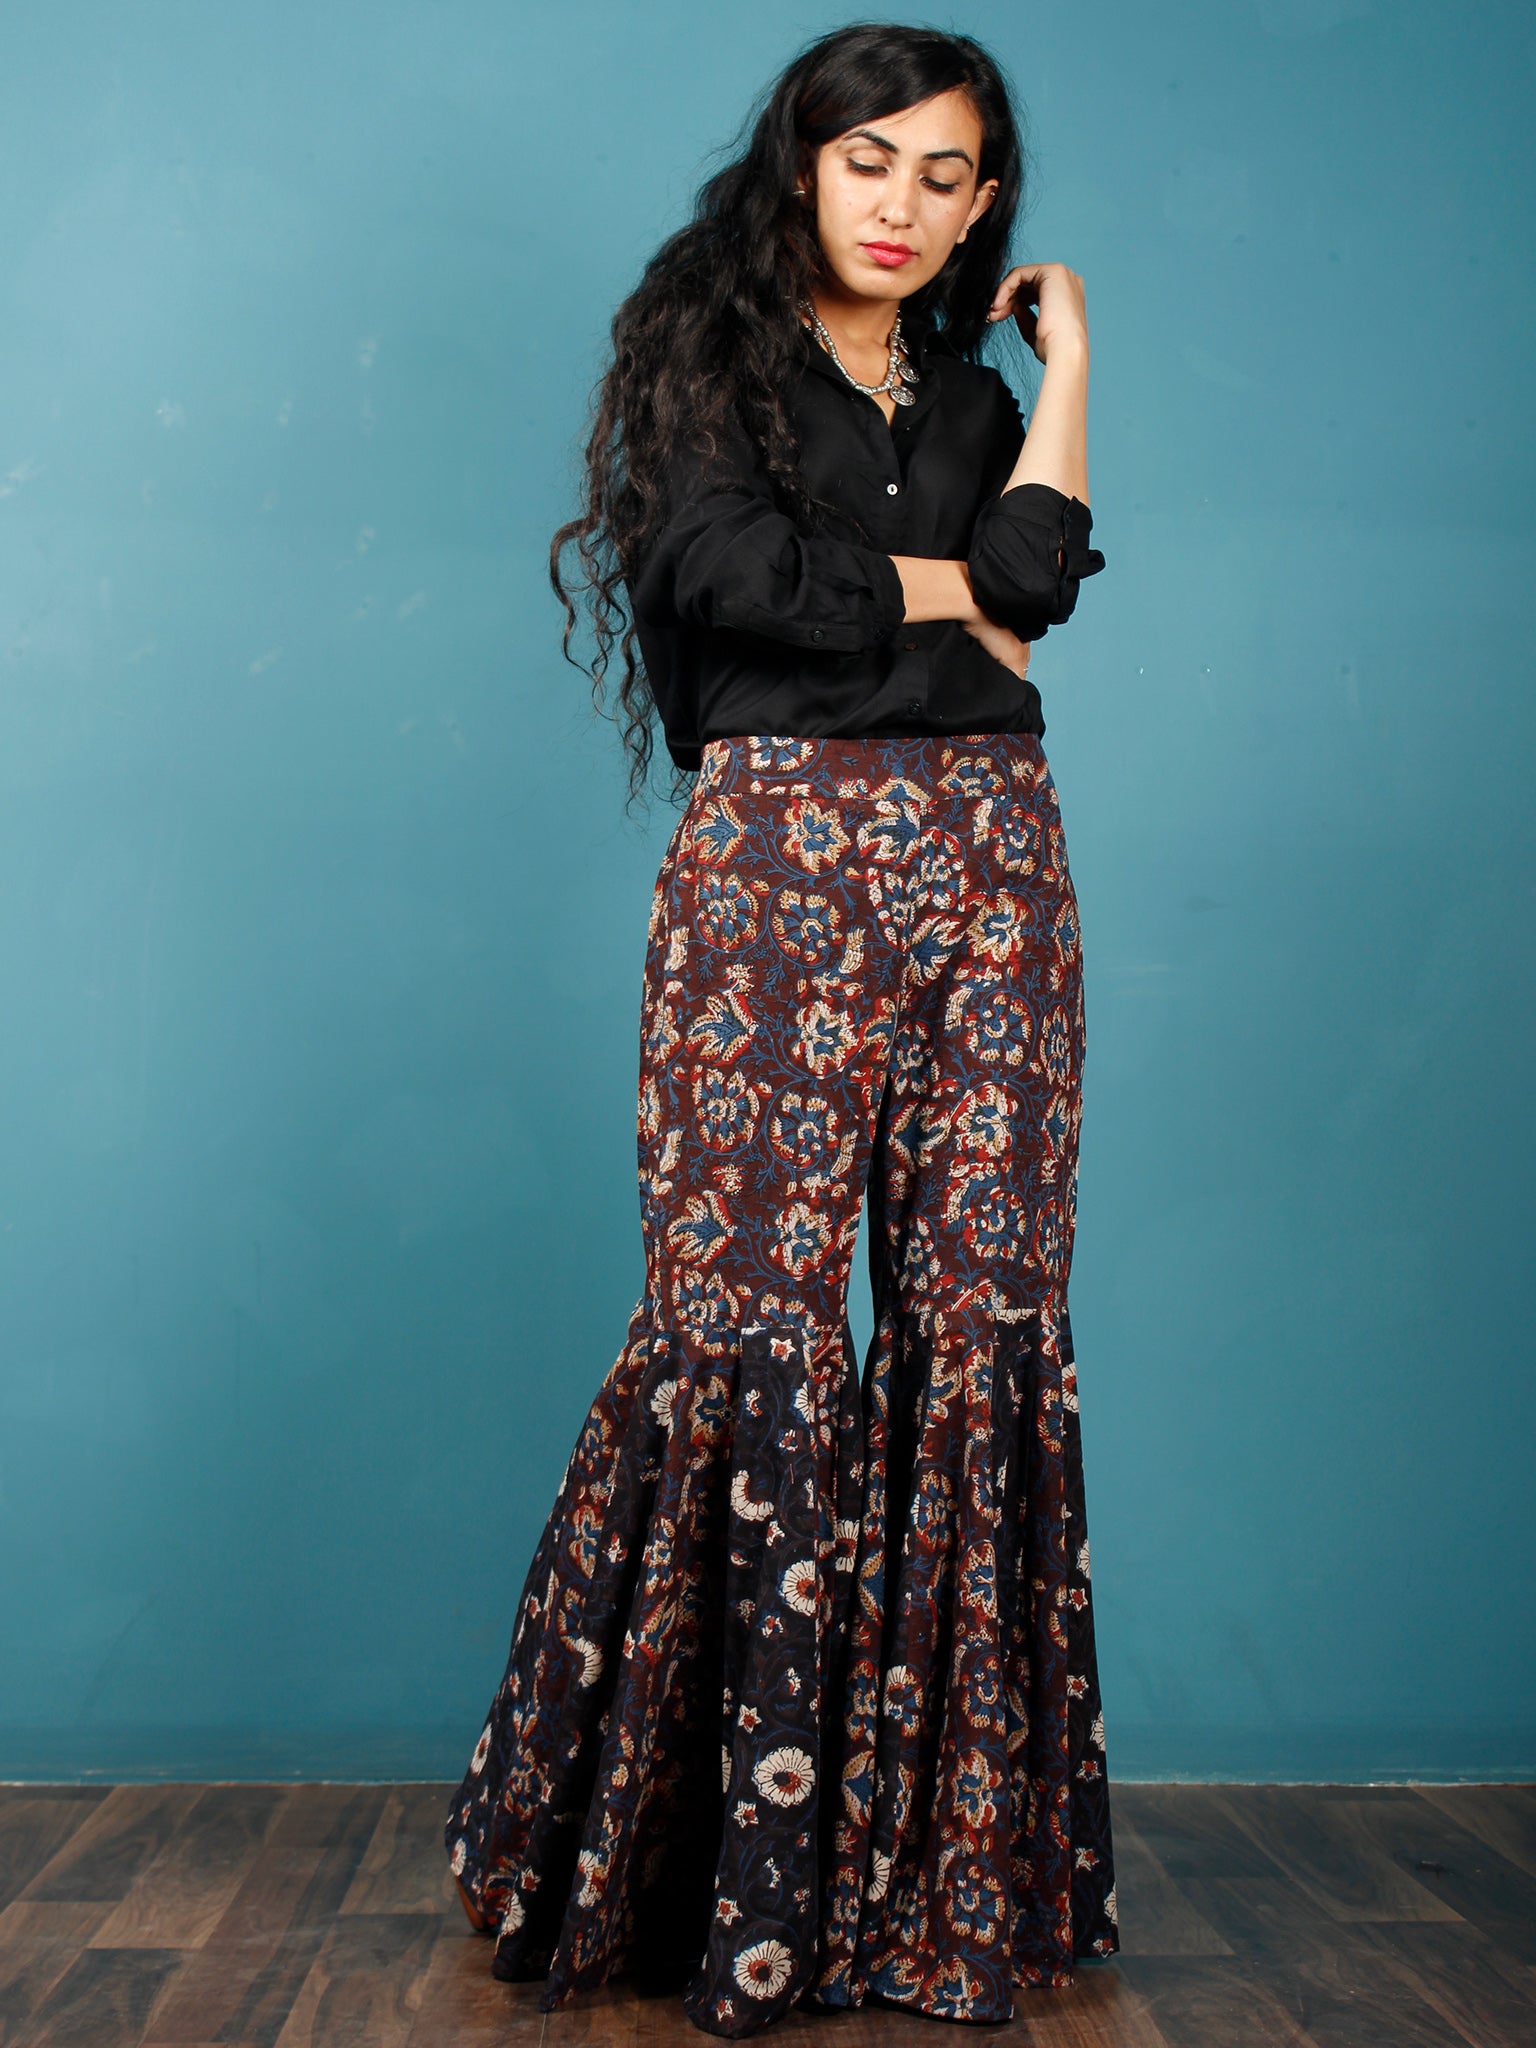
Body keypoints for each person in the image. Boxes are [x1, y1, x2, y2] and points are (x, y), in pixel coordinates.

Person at [443, 22, 1119, 2038]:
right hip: (777, 870)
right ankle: (696, 1877)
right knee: (745, 1324)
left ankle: (944, 1880)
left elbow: (1037, 583)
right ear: (803, 168)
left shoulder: (982, 394)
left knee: (985, 1321)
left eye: (947, 176)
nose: (904, 205)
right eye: (871, 162)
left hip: (998, 856)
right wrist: (951, 595)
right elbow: (735, 576)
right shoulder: (707, 364)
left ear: (984, 207)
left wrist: (1072, 373)